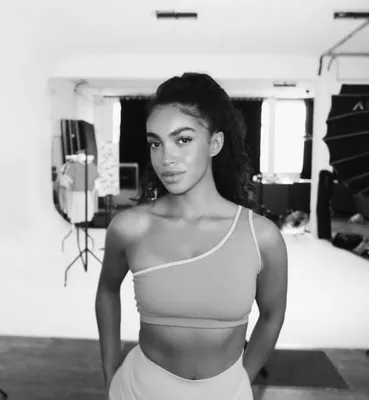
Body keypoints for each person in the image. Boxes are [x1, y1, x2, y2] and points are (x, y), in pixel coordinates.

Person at [95, 72, 288, 400]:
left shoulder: (262, 237)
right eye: (156, 143)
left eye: (182, 140)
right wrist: (110, 372)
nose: (166, 158)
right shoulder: (130, 228)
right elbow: (107, 291)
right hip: (138, 390)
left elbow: (272, 315)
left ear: (215, 143)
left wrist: (242, 379)